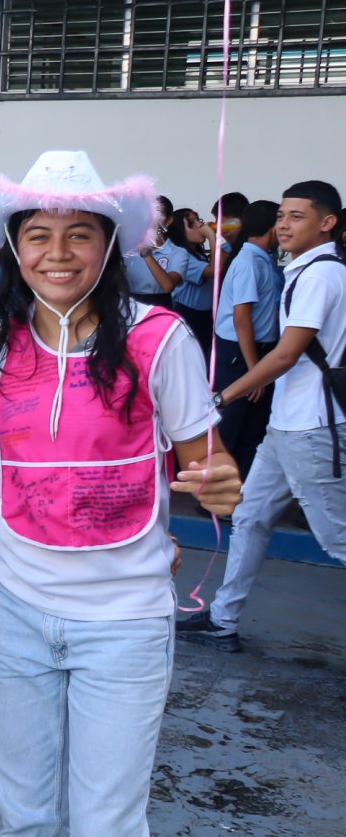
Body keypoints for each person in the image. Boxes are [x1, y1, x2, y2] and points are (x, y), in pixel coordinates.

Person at [0, 151, 240, 837]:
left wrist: (219, 482)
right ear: (14, 247)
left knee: (109, 834)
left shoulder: (160, 340)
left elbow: (205, 462)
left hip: (123, 622)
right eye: (38, 235)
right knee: (23, 813)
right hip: (17, 609)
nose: (57, 253)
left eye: (79, 234)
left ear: (109, 244)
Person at [182, 180, 346, 653]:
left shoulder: (320, 275)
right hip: (289, 424)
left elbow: (286, 354)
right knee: (251, 517)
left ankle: (222, 618)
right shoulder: (308, 269)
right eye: (281, 216)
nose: (284, 225)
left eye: (297, 216)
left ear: (327, 223)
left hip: (311, 426)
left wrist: (222, 397)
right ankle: (223, 618)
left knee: (337, 537)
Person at [209, 199, 283, 480]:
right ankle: (218, 491)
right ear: (271, 229)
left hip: (254, 350)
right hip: (240, 353)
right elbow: (242, 318)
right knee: (231, 424)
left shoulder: (263, 259)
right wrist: (255, 371)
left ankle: (241, 488)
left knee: (252, 425)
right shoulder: (249, 262)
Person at [163, 207, 223, 353]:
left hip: (205, 315)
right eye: (191, 223)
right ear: (180, 232)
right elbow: (214, 271)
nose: (200, 225)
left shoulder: (198, 254)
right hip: (189, 315)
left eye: (198, 220)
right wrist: (212, 237)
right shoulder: (183, 256)